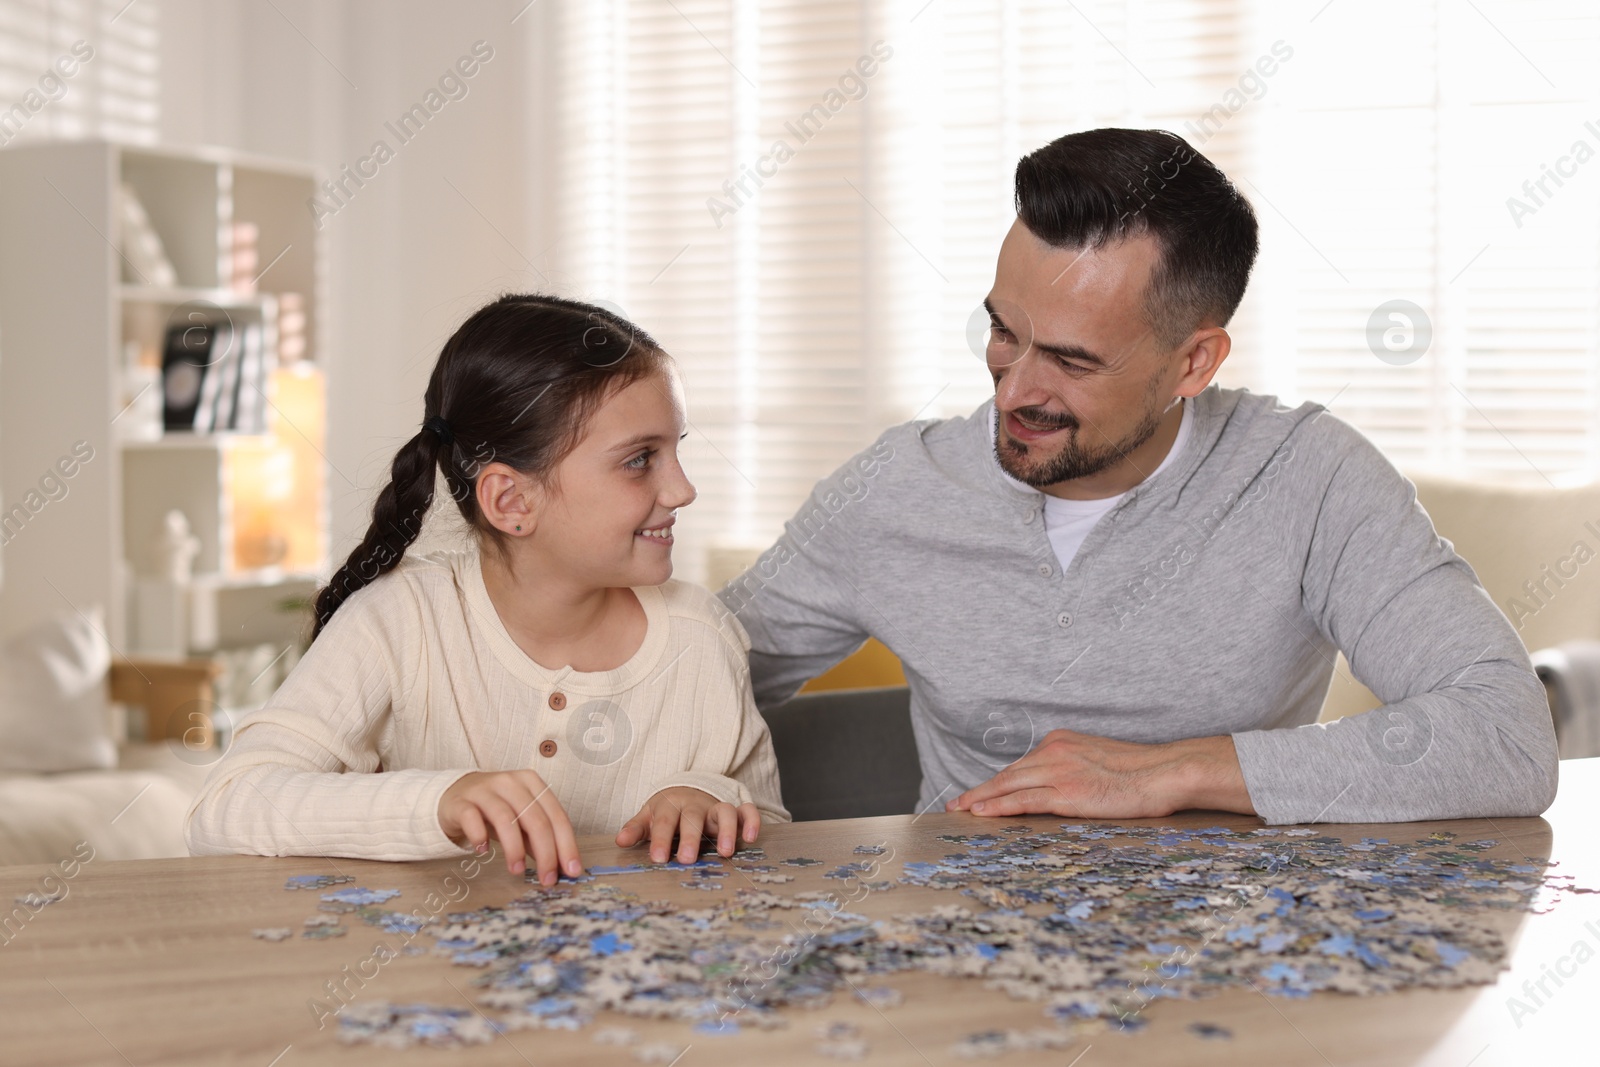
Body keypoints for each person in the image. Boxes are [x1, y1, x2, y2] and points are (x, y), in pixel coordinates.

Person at [718, 127, 1558, 826]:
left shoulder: (1310, 476)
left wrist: (1174, 772)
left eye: (1072, 360)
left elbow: (1509, 737)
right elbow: (686, 671)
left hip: (1232, 969)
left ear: (1195, 361)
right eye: (1005, 332)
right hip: (959, 960)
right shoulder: (896, 488)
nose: (1013, 389)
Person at [186, 294, 788, 882]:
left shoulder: (702, 637)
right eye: (639, 459)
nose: (682, 490)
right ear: (511, 500)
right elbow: (225, 809)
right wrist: (441, 801)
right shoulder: (400, 622)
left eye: (675, 450)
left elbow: (784, 839)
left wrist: (710, 799)